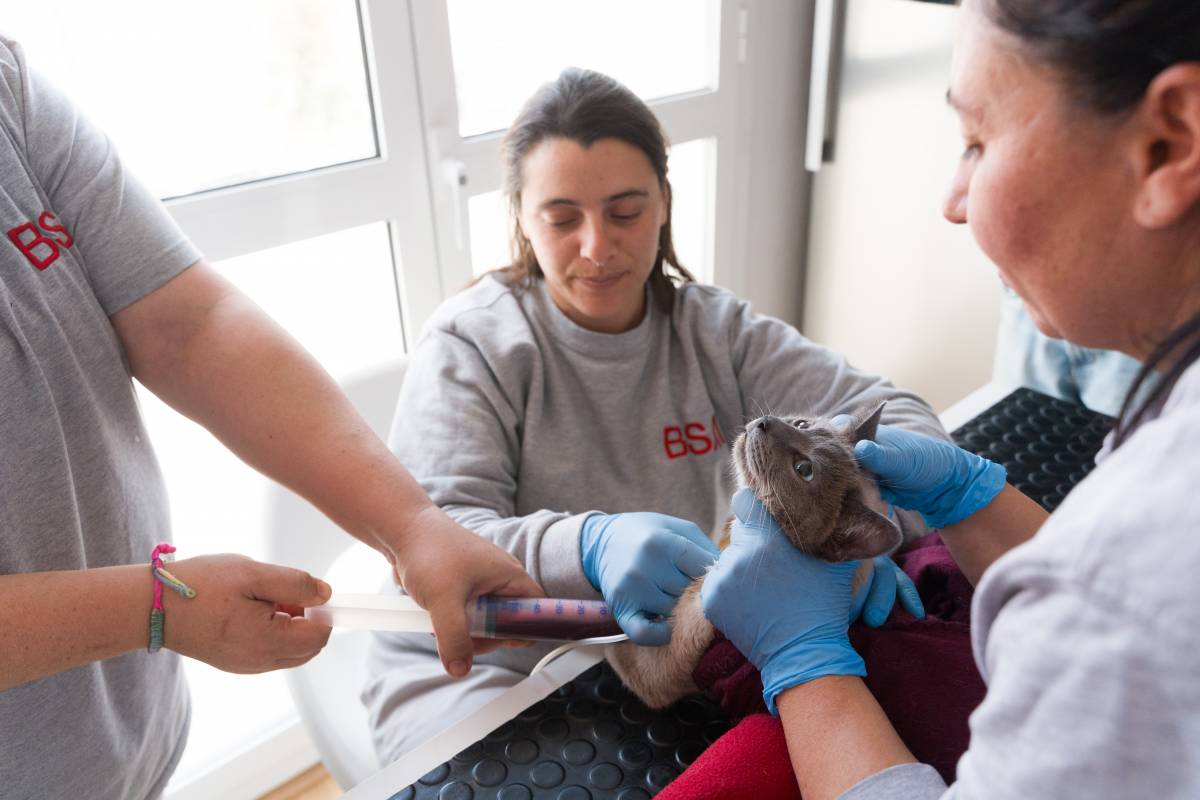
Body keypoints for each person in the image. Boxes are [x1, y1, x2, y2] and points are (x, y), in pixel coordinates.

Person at [0, 35, 542, 800]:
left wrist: (413, 524)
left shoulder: (11, 92)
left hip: (126, 742)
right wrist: (156, 607)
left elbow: (191, 325)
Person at [362, 67, 946, 762]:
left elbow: (899, 417)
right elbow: (431, 538)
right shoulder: (472, 345)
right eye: (561, 218)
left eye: (625, 211)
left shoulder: (717, 332)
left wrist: (854, 523)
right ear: (519, 215)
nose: (597, 247)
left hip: (671, 671)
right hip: (486, 666)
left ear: (664, 202)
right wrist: (585, 547)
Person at [702, 0, 1200, 797]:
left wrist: (803, 664)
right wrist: (970, 495)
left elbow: (1115, 609)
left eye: (977, 141)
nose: (953, 200)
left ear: (1169, 142)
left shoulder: (1133, 579)